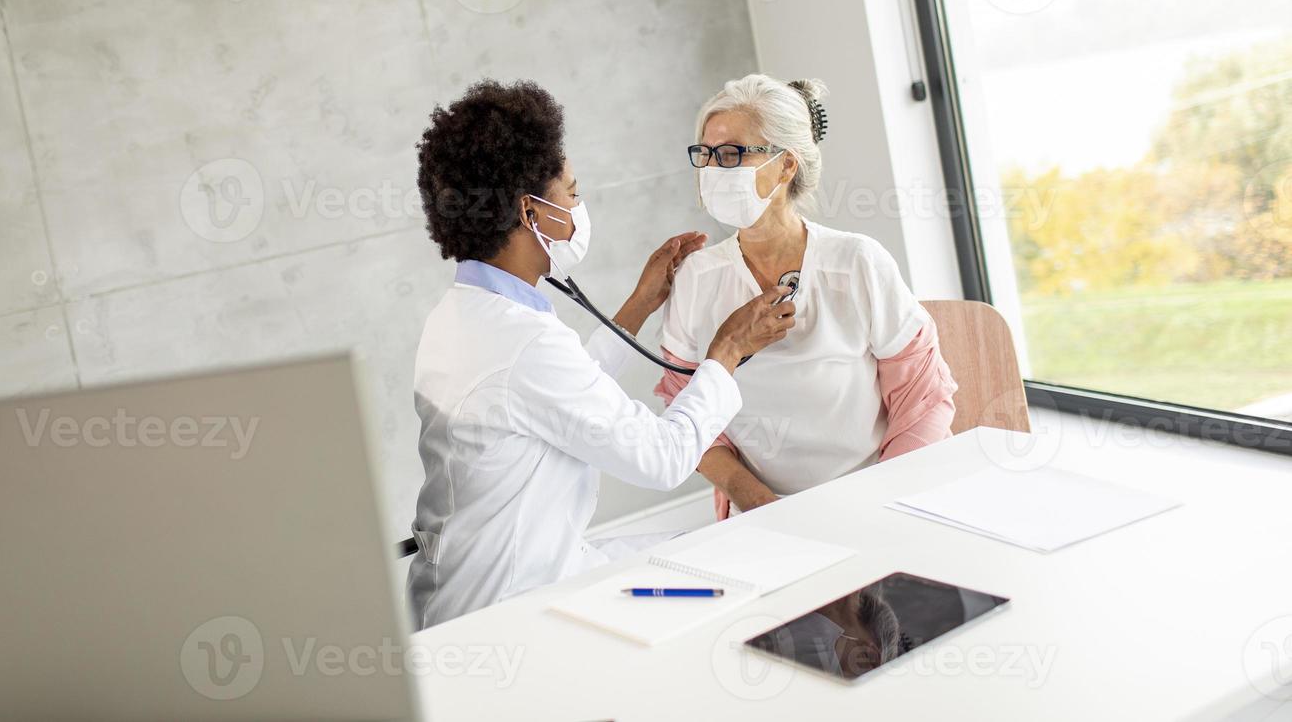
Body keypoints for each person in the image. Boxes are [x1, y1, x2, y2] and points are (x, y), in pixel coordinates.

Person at [405, 80, 795, 629]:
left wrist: (638, 304)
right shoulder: (521, 342)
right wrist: (728, 350)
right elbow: (662, 457)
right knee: (729, 579)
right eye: (573, 193)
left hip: (469, 589)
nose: (579, 207)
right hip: (508, 614)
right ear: (532, 212)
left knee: (703, 558)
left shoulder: (461, 315)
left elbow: (559, 389)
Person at [654, 73, 958, 519]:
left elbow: (923, 403)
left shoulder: (856, 263)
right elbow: (690, 421)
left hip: (877, 501)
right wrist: (762, 506)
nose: (714, 170)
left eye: (733, 154)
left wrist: (882, 506)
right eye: (706, 154)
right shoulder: (698, 276)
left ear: (786, 165)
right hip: (759, 515)